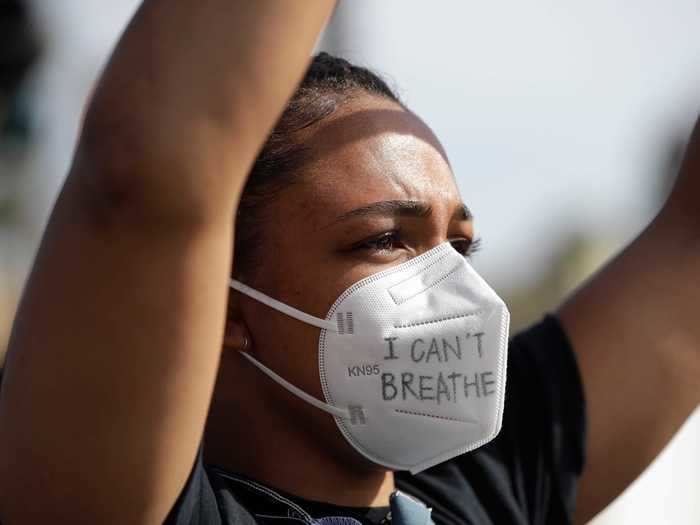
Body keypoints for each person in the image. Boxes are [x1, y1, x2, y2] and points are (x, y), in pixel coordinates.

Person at [0, 2, 698, 524]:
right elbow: (149, 168)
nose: (453, 288)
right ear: (228, 303)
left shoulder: (482, 496)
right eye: (387, 240)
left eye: (458, 246)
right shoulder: (120, 501)